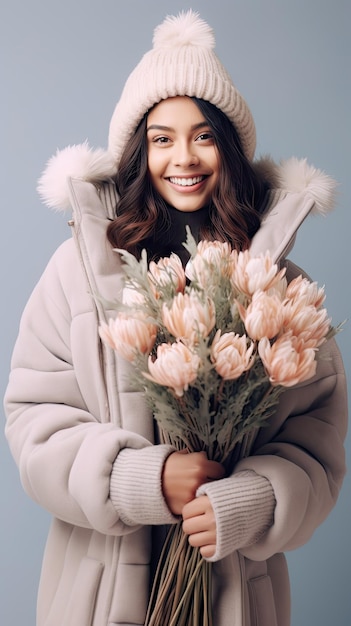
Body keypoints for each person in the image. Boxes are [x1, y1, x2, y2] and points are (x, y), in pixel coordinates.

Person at [4, 10, 347, 626]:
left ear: (231, 149)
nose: (183, 158)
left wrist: (253, 501)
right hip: (97, 595)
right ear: (139, 153)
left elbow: (317, 450)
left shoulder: (279, 287)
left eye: (204, 136)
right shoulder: (78, 273)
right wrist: (142, 479)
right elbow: (34, 423)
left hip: (234, 595)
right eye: (162, 138)